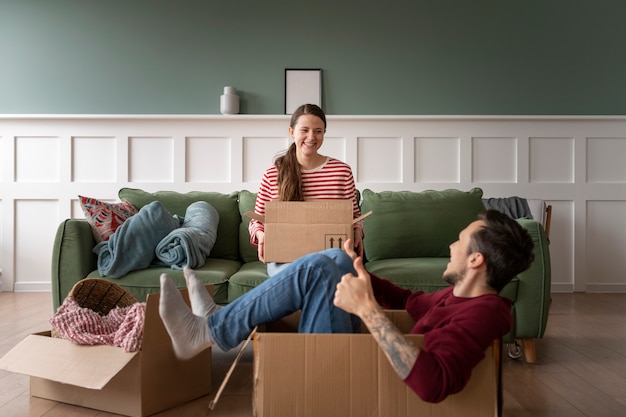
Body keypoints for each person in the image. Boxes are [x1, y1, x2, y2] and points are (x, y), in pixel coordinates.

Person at [159, 209, 534, 403]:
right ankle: (214, 324)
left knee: (321, 268)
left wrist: (368, 310)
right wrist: (356, 267)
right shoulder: (458, 298)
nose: (451, 246)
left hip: (376, 386)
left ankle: (209, 330)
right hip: (372, 367)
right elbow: (407, 301)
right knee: (332, 262)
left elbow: (433, 385)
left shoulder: (486, 312)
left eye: (459, 240)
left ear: (475, 261)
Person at [249, 103, 364, 273]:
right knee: (302, 276)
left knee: (329, 273)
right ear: (292, 132)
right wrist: (261, 235)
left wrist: (357, 230)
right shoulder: (273, 173)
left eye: (318, 131)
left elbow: (354, 216)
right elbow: (257, 220)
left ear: (324, 133)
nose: (311, 137)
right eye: (305, 130)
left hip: (331, 256)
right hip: (285, 257)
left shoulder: (342, 171)